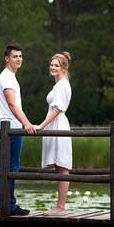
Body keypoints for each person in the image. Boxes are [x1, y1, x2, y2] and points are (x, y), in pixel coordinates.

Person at [0, 43, 36, 215]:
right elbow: (12, 104)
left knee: (7, 167)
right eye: (15, 56)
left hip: (10, 126)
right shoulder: (7, 77)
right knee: (9, 168)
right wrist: (27, 123)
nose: (18, 59)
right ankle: (8, 206)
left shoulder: (10, 76)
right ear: (7, 58)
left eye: (20, 56)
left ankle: (5, 205)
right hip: (10, 128)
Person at [35, 51, 72, 216]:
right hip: (54, 124)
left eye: (56, 65)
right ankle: (59, 206)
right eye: (51, 65)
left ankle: (61, 207)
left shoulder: (63, 84)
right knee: (58, 166)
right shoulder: (57, 85)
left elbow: (57, 109)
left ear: (63, 68)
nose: (53, 67)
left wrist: (42, 126)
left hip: (59, 124)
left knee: (62, 166)